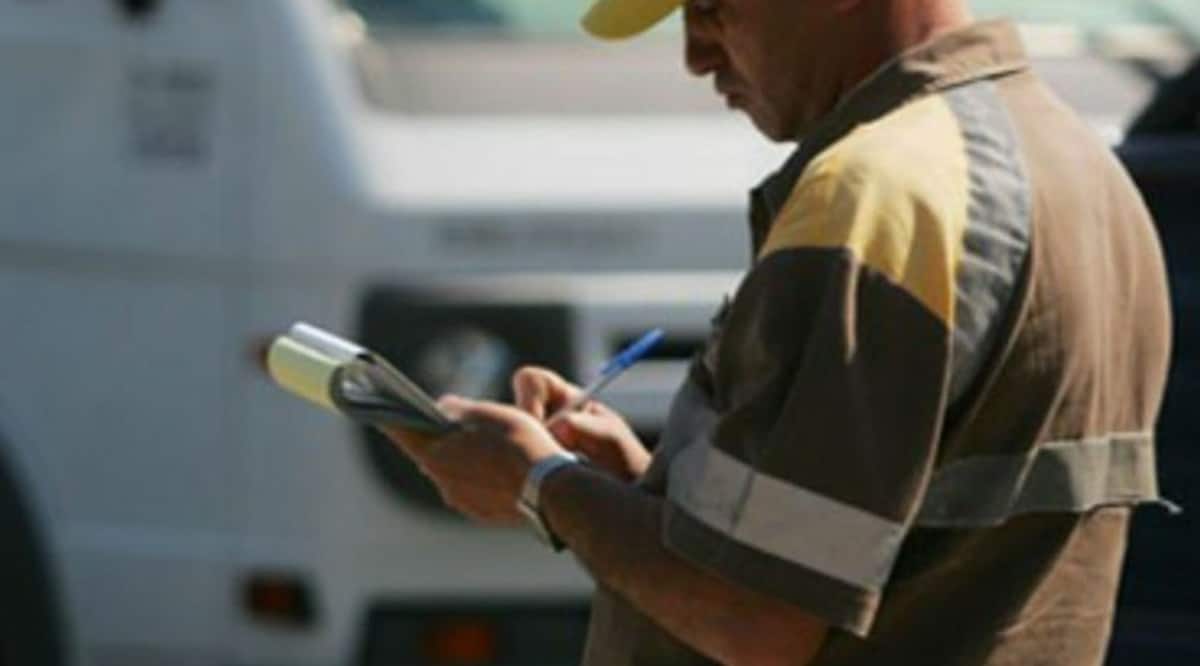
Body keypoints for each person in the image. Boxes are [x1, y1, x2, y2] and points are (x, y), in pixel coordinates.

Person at [386, 0, 1176, 663]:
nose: (697, 54)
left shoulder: (875, 195)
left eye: (713, 6)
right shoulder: (1077, 164)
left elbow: (758, 618)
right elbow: (895, 531)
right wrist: (632, 486)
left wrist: (538, 484)